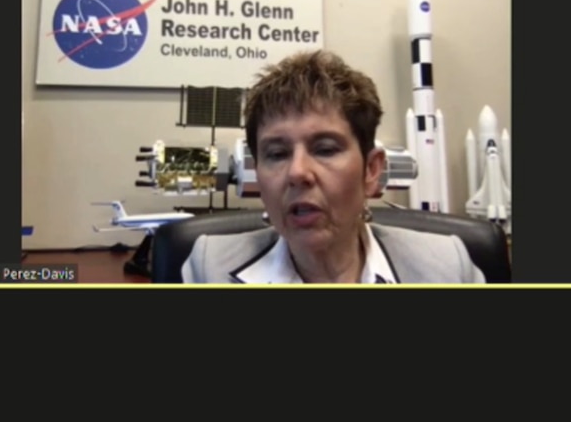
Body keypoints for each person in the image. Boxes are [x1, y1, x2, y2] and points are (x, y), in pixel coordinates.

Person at [180, 51, 484, 284]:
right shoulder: (209, 267)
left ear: (371, 171)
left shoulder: (447, 268)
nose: (298, 172)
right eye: (276, 153)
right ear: (257, 172)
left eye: (325, 149)